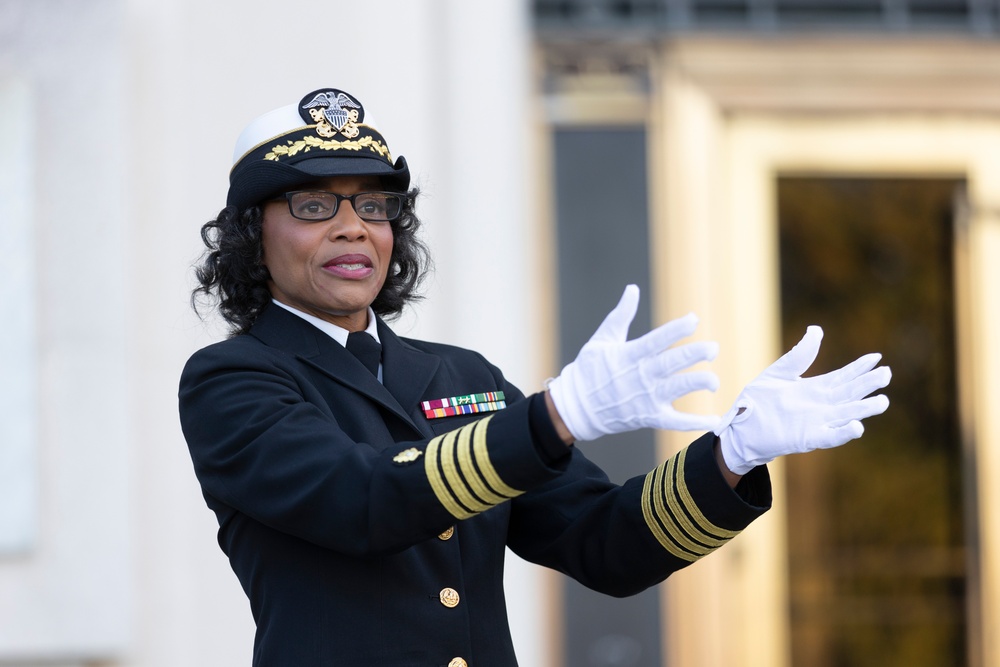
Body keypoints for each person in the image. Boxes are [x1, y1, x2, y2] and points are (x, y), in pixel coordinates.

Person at [179, 87, 891, 667]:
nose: (352, 227)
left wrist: (732, 457)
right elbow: (364, 500)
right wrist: (554, 416)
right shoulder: (232, 378)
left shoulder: (459, 373)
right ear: (253, 233)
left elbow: (605, 545)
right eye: (313, 205)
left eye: (373, 204)